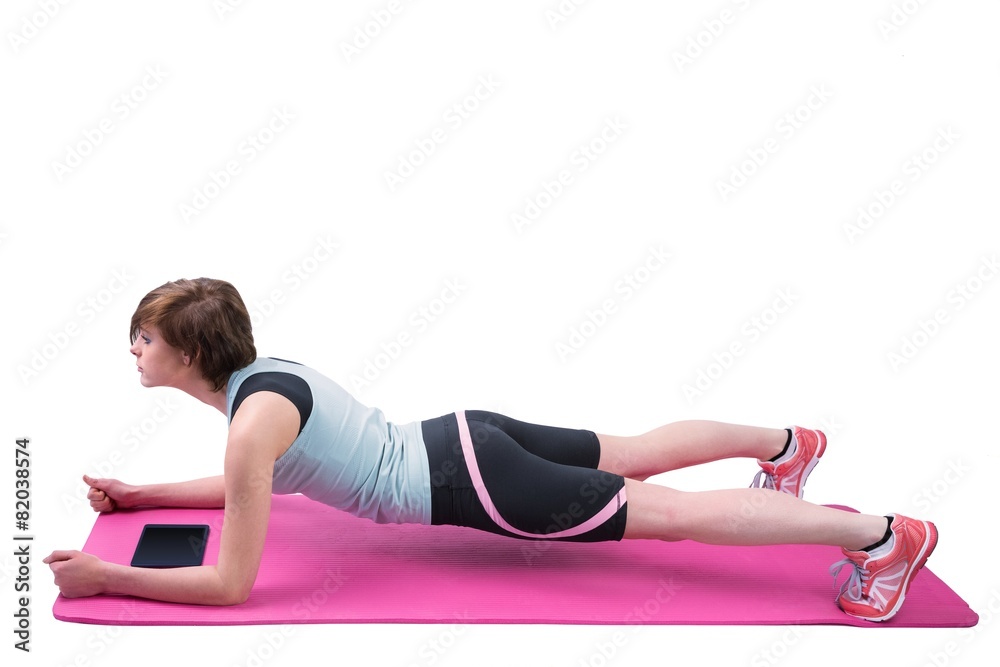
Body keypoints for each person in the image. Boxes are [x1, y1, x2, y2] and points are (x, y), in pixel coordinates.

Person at [44, 278, 938, 622]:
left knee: (672, 516)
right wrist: (140, 491)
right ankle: (790, 443)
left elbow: (233, 581)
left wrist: (105, 576)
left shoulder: (248, 425)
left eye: (144, 340)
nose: (133, 350)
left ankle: (879, 537)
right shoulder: (263, 378)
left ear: (191, 355)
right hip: (463, 433)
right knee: (632, 449)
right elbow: (256, 484)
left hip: (469, 478)